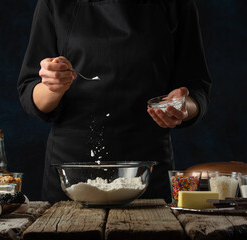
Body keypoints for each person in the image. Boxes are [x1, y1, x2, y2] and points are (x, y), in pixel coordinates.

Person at [17, 0, 211, 203]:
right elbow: (30, 92)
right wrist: (52, 86)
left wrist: (182, 107)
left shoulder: (177, 5)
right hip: (73, 169)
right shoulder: (54, 4)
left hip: (146, 168)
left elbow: (197, 88)